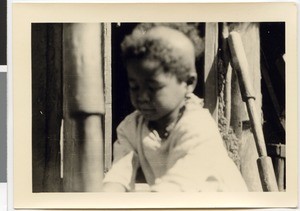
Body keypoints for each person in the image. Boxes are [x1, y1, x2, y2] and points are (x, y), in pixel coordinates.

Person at [102, 24, 248, 192]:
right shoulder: (132, 126)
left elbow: (174, 188)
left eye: (153, 87)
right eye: (134, 86)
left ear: (188, 83)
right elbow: (119, 175)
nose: (142, 96)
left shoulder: (198, 127)